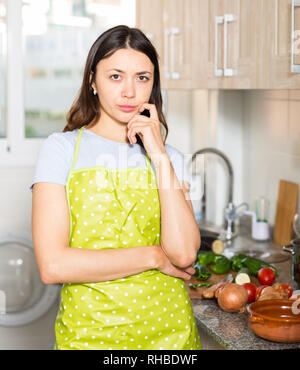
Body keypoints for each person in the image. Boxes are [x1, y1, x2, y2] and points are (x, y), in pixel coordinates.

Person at [31, 24, 201, 350]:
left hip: (172, 338)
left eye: (142, 78)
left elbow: (182, 254)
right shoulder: (61, 149)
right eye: (115, 76)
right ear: (92, 81)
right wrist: (152, 256)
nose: (129, 92)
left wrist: (158, 154)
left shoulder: (171, 158)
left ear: (153, 85)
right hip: (89, 336)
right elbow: (53, 266)